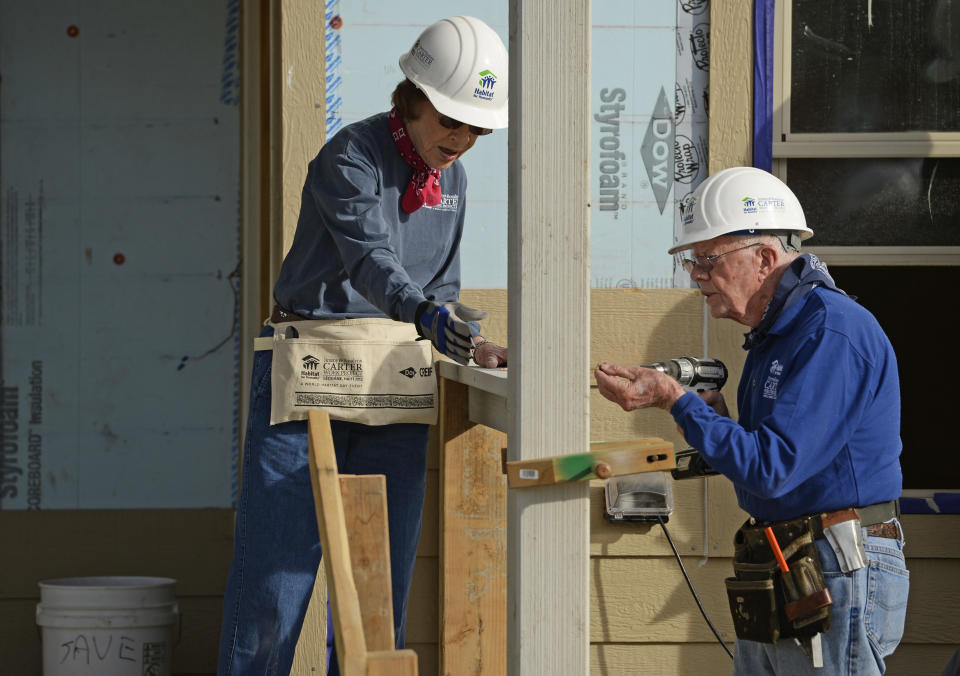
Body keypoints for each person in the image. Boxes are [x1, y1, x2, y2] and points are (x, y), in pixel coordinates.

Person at [217, 16, 509, 675]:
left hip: (395, 376)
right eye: (450, 121)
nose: (462, 140)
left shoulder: (452, 181)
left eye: (475, 128)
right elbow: (374, 263)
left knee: (377, 594)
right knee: (275, 585)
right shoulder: (349, 156)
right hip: (311, 366)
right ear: (412, 96)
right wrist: (428, 315)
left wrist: (473, 341)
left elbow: (442, 289)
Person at [594, 166, 908, 675]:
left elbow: (772, 467)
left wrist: (678, 401)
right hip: (797, 559)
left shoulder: (831, 331)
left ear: (764, 258)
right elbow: (773, 456)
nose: (696, 276)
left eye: (708, 261)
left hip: (833, 563)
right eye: (693, 263)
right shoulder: (783, 330)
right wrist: (709, 419)